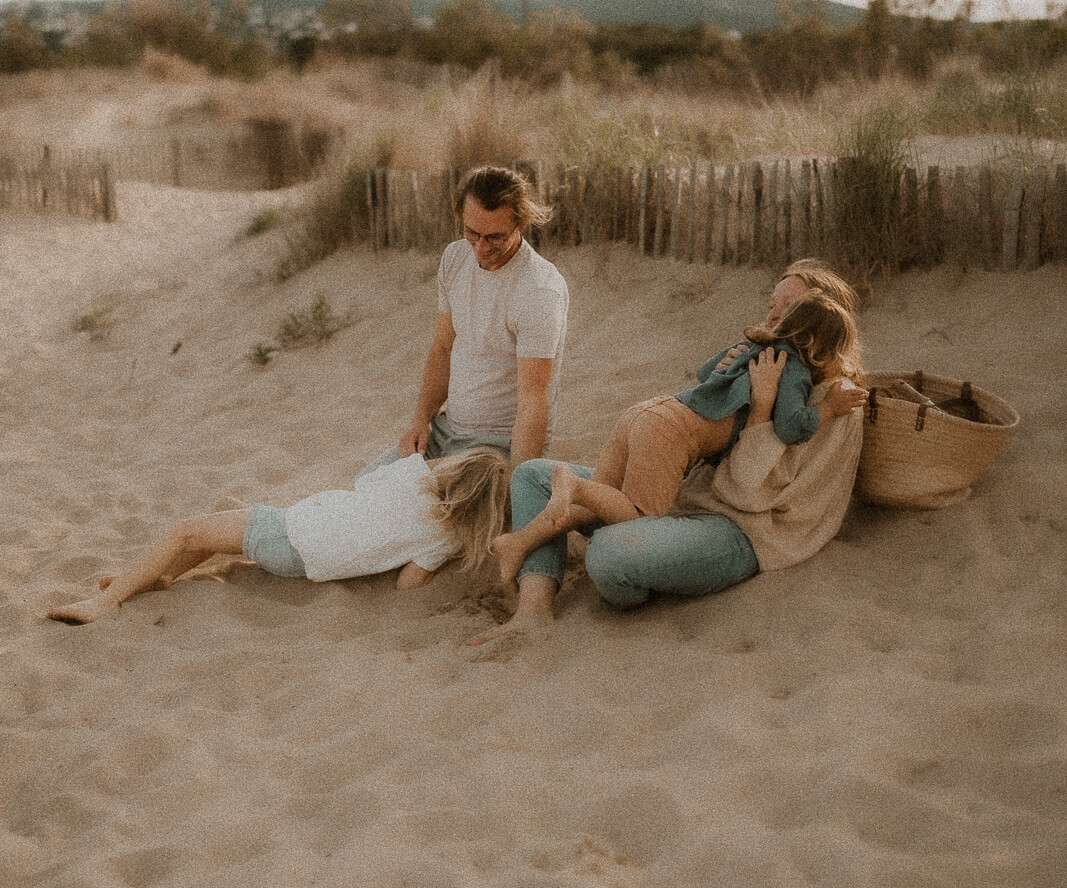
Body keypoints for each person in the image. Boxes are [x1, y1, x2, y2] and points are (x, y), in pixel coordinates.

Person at [469, 260, 867, 647]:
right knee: (532, 474)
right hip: (685, 499)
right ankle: (534, 609)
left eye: (790, 308)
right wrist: (724, 375)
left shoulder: (828, 404)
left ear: (817, 322)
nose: (774, 315)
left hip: (742, 528)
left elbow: (746, 492)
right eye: (772, 304)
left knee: (608, 554)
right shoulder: (767, 363)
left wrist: (762, 404)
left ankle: (611, 523)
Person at [48, 446, 509, 625]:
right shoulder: (447, 540)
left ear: (456, 469)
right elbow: (410, 582)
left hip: (290, 530)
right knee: (207, 538)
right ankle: (156, 579)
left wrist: (412, 458)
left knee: (187, 530)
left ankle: (102, 604)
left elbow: (366, 478)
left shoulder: (415, 478)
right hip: (308, 568)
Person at [364, 165, 568, 474]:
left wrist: (518, 480)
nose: (481, 248)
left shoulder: (538, 290)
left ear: (522, 224)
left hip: (495, 449)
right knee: (365, 485)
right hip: (444, 432)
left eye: (495, 237)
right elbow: (444, 348)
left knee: (401, 493)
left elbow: (533, 402)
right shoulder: (454, 258)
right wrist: (420, 419)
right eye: (472, 233)